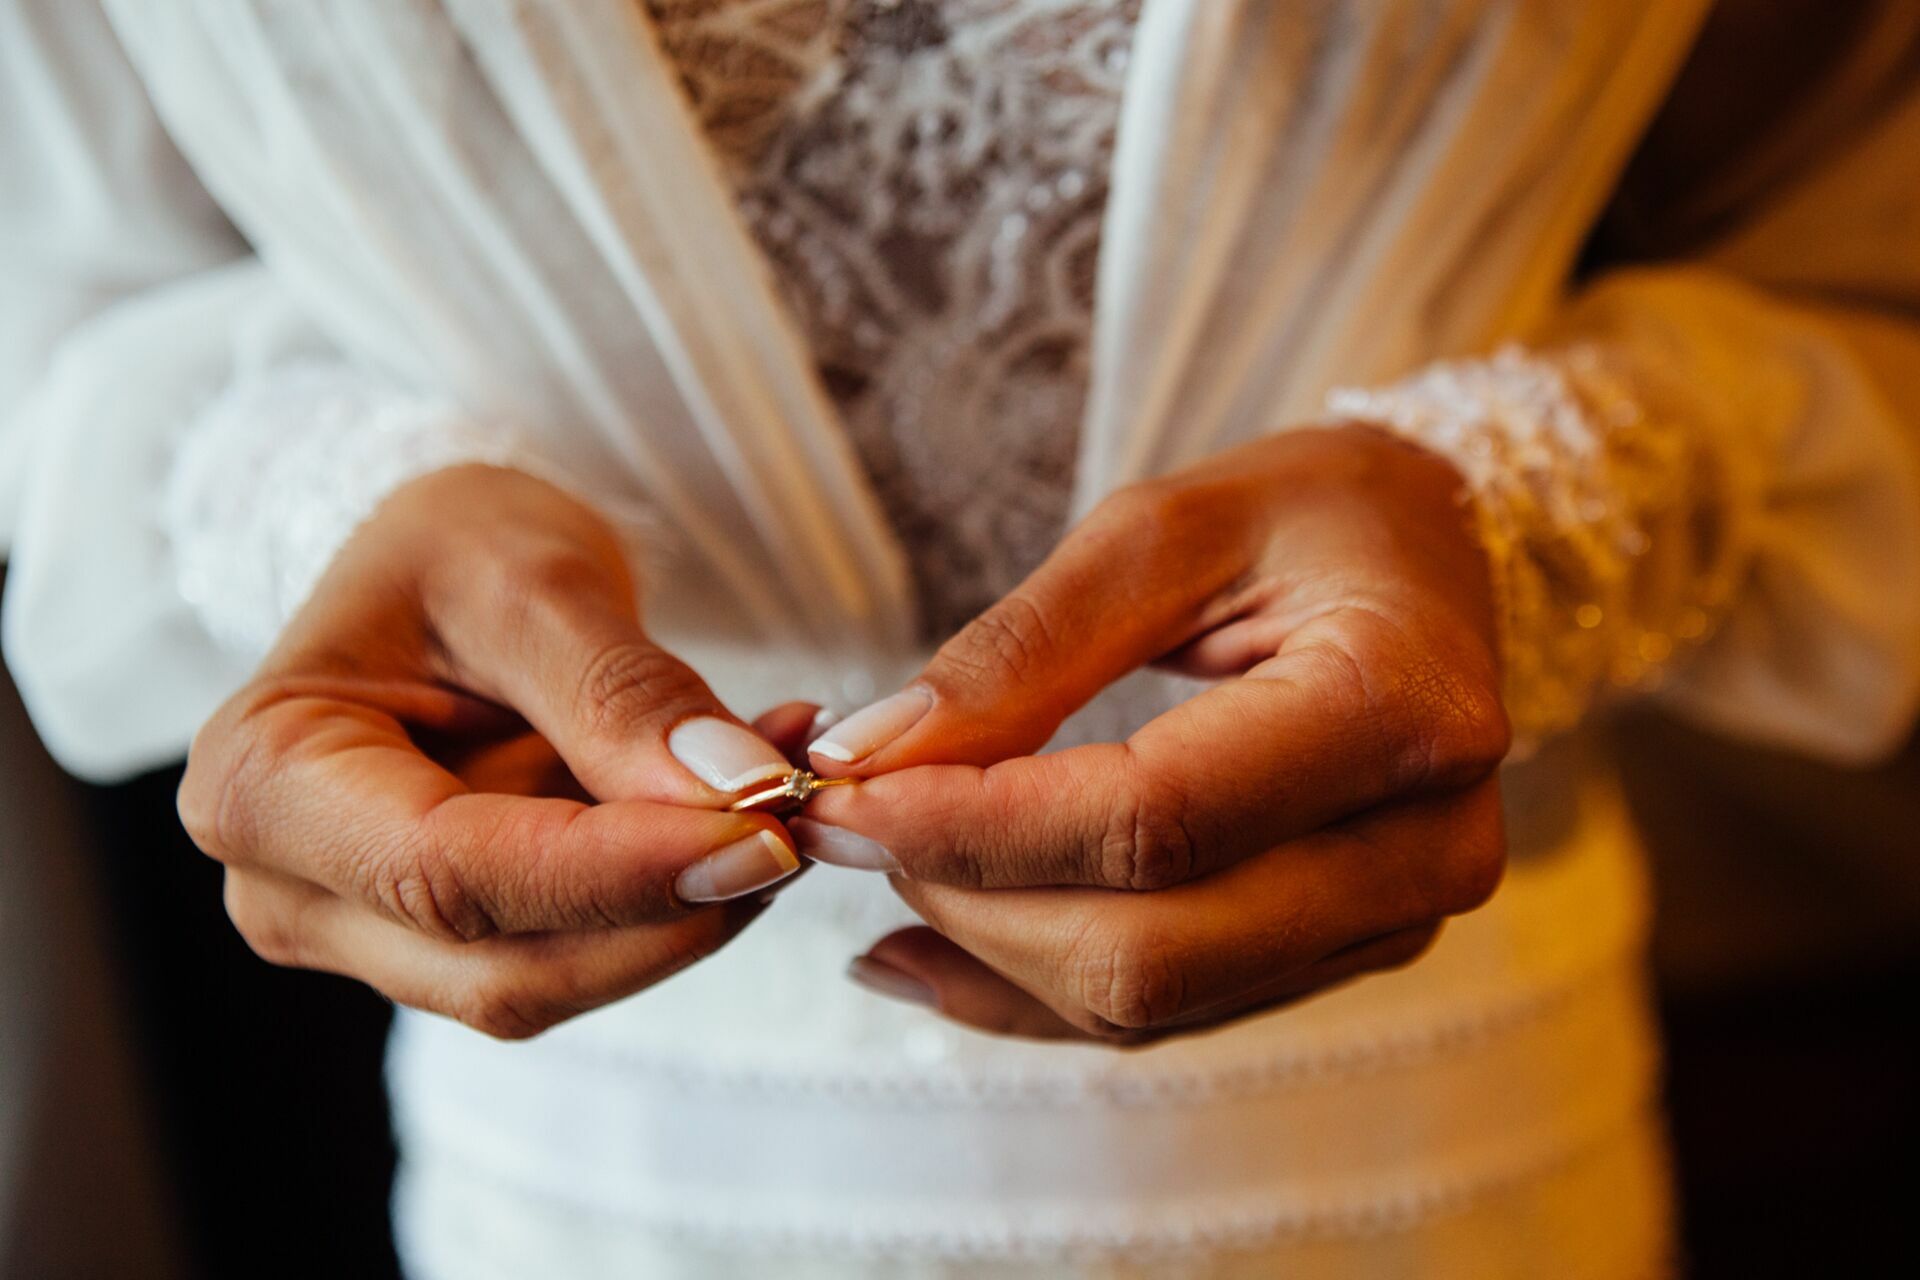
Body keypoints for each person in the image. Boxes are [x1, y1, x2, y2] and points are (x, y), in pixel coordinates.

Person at [4, 1, 1917, 1275]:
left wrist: (1517, 513)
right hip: (605, 1172)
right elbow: (64, 297)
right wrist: (324, 502)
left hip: (1426, 1141)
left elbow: (1867, 250)